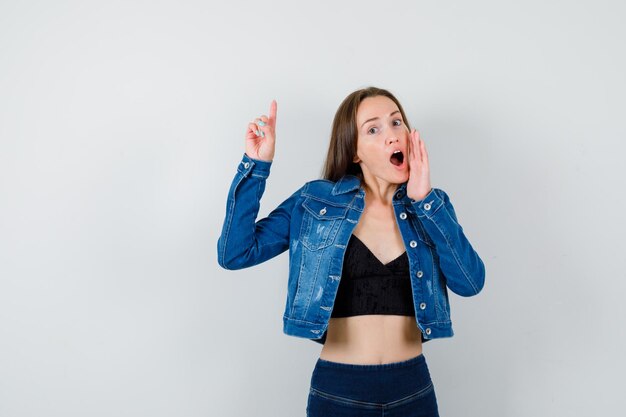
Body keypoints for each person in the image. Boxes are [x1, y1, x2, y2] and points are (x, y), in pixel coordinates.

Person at [217, 87, 485, 416]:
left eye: (396, 122)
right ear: (355, 151)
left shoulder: (431, 206)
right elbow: (236, 252)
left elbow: (470, 283)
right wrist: (257, 165)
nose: (392, 135)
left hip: (412, 390)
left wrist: (425, 200)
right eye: (374, 128)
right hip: (339, 391)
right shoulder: (315, 202)